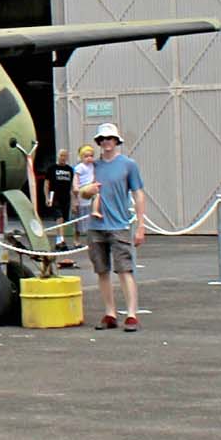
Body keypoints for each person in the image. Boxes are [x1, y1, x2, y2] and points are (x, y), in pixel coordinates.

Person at [82, 124, 145, 332]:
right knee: (102, 271)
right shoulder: (93, 166)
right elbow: (81, 191)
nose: (107, 142)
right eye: (103, 139)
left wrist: (140, 226)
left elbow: (138, 194)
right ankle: (110, 312)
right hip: (96, 225)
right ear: (99, 142)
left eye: (110, 138)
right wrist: (86, 191)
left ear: (117, 141)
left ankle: (131, 314)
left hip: (119, 224)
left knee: (124, 269)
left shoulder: (128, 165)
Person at [47, 147, 78, 253]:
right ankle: (61, 240)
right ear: (58, 156)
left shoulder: (70, 170)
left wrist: (74, 200)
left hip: (66, 197)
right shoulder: (52, 169)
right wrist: (47, 197)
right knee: (59, 217)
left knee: (63, 219)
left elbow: (72, 186)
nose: (63, 158)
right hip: (55, 196)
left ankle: (58, 240)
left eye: (65, 156)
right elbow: (46, 184)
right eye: (61, 155)